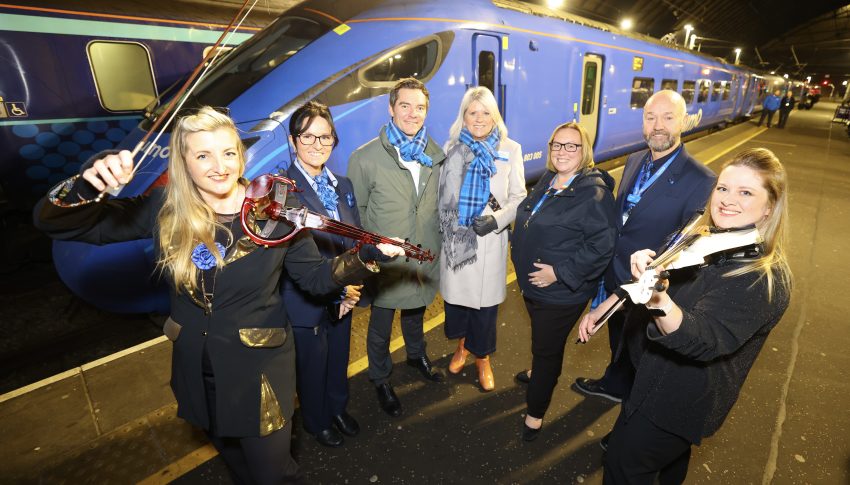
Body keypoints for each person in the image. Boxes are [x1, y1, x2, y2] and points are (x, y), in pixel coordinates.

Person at [33, 107, 402, 484]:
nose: (219, 166)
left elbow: (316, 278)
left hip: (260, 374)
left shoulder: (279, 211)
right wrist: (88, 184)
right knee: (236, 463)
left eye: (228, 153)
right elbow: (56, 224)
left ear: (241, 156)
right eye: (202, 155)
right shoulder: (166, 209)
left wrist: (366, 255)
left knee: (274, 475)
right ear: (184, 162)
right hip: (197, 368)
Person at [579, 148, 792, 484]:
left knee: (622, 466)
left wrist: (658, 300)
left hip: (672, 402)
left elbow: (702, 338)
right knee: (668, 469)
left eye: (745, 192)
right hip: (648, 377)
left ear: (769, 207)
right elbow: (659, 272)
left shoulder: (760, 279)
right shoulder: (705, 235)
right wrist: (611, 303)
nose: (727, 200)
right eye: (723, 188)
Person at [573, 89, 716, 404]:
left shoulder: (701, 178)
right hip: (615, 272)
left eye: (667, 117)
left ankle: (630, 421)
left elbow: (679, 247)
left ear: (683, 121)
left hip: (648, 287)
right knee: (618, 342)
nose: (658, 125)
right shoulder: (637, 158)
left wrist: (630, 287)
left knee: (642, 358)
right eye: (650, 118)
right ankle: (615, 384)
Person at [510, 121, 618, 441]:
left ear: (584, 151)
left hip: (559, 293)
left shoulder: (593, 194)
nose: (562, 152)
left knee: (548, 351)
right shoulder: (550, 178)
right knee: (544, 341)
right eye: (557, 145)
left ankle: (536, 412)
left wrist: (559, 273)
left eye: (571, 146)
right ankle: (539, 372)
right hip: (535, 289)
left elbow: (602, 246)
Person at [347, 78, 446, 417]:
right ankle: (380, 377)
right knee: (381, 324)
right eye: (405, 105)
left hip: (424, 251)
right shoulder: (365, 158)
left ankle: (417, 354)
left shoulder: (435, 154)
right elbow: (356, 215)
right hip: (385, 261)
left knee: (417, 310)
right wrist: (365, 257)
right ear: (391, 108)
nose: (412, 113)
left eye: (420, 107)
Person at [280, 101, 364, 448]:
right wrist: (336, 292)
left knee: (339, 357)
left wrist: (353, 286)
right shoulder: (282, 190)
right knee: (311, 367)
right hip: (306, 299)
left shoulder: (343, 184)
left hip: (344, 293)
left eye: (325, 137)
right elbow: (287, 258)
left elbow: (356, 238)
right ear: (293, 140)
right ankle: (316, 421)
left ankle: (337, 408)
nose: (317, 145)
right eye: (308, 136)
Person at [438, 87, 526, 392]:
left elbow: (519, 197)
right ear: (463, 117)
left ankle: (483, 357)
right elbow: (442, 196)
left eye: (485, 112)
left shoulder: (511, 149)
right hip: (457, 242)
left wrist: (498, 220)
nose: (479, 118)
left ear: (495, 116)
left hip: (489, 241)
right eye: (472, 112)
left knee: (485, 309)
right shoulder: (451, 148)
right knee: (458, 306)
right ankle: (462, 347)